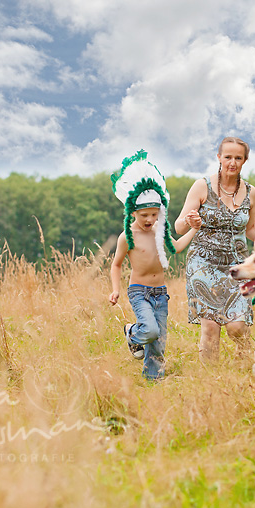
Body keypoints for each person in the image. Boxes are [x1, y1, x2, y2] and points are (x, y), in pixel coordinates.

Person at [174, 137, 255, 361]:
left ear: (245, 161)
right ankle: (210, 383)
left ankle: (249, 364)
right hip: (203, 263)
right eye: (228, 157)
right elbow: (178, 226)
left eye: (238, 158)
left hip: (237, 265)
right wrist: (190, 222)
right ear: (219, 157)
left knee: (237, 327)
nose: (232, 162)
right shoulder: (202, 186)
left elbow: (250, 228)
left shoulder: (251, 192)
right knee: (210, 328)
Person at [108, 150, 202, 380]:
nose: (149, 220)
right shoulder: (127, 236)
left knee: (158, 341)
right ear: (133, 213)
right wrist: (116, 289)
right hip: (139, 291)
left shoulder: (161, 231)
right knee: (149, 330)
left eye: (154, 214)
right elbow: (116, 265)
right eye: (144, 215)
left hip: (160, 293)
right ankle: (132, 333)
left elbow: (177, 247)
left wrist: (194, 230)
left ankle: (153, 381)